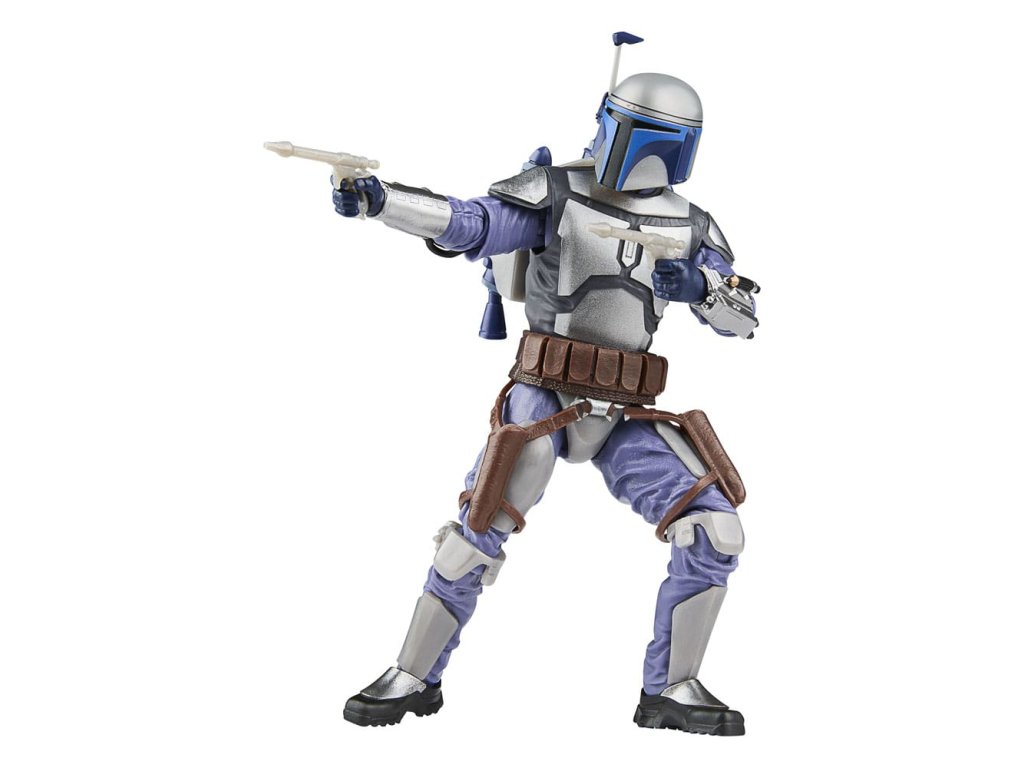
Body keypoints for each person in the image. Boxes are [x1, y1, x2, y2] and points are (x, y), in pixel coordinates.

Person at [331, 63, 758, 736]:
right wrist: (382, 201)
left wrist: (700, 289)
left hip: (627, 409)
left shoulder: (691, 223)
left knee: (714, 529)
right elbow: (472, 223)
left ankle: (672, 688)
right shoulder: (558, 192)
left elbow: (743, 316)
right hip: (546, 394)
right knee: (476, 532)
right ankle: (413, 675)